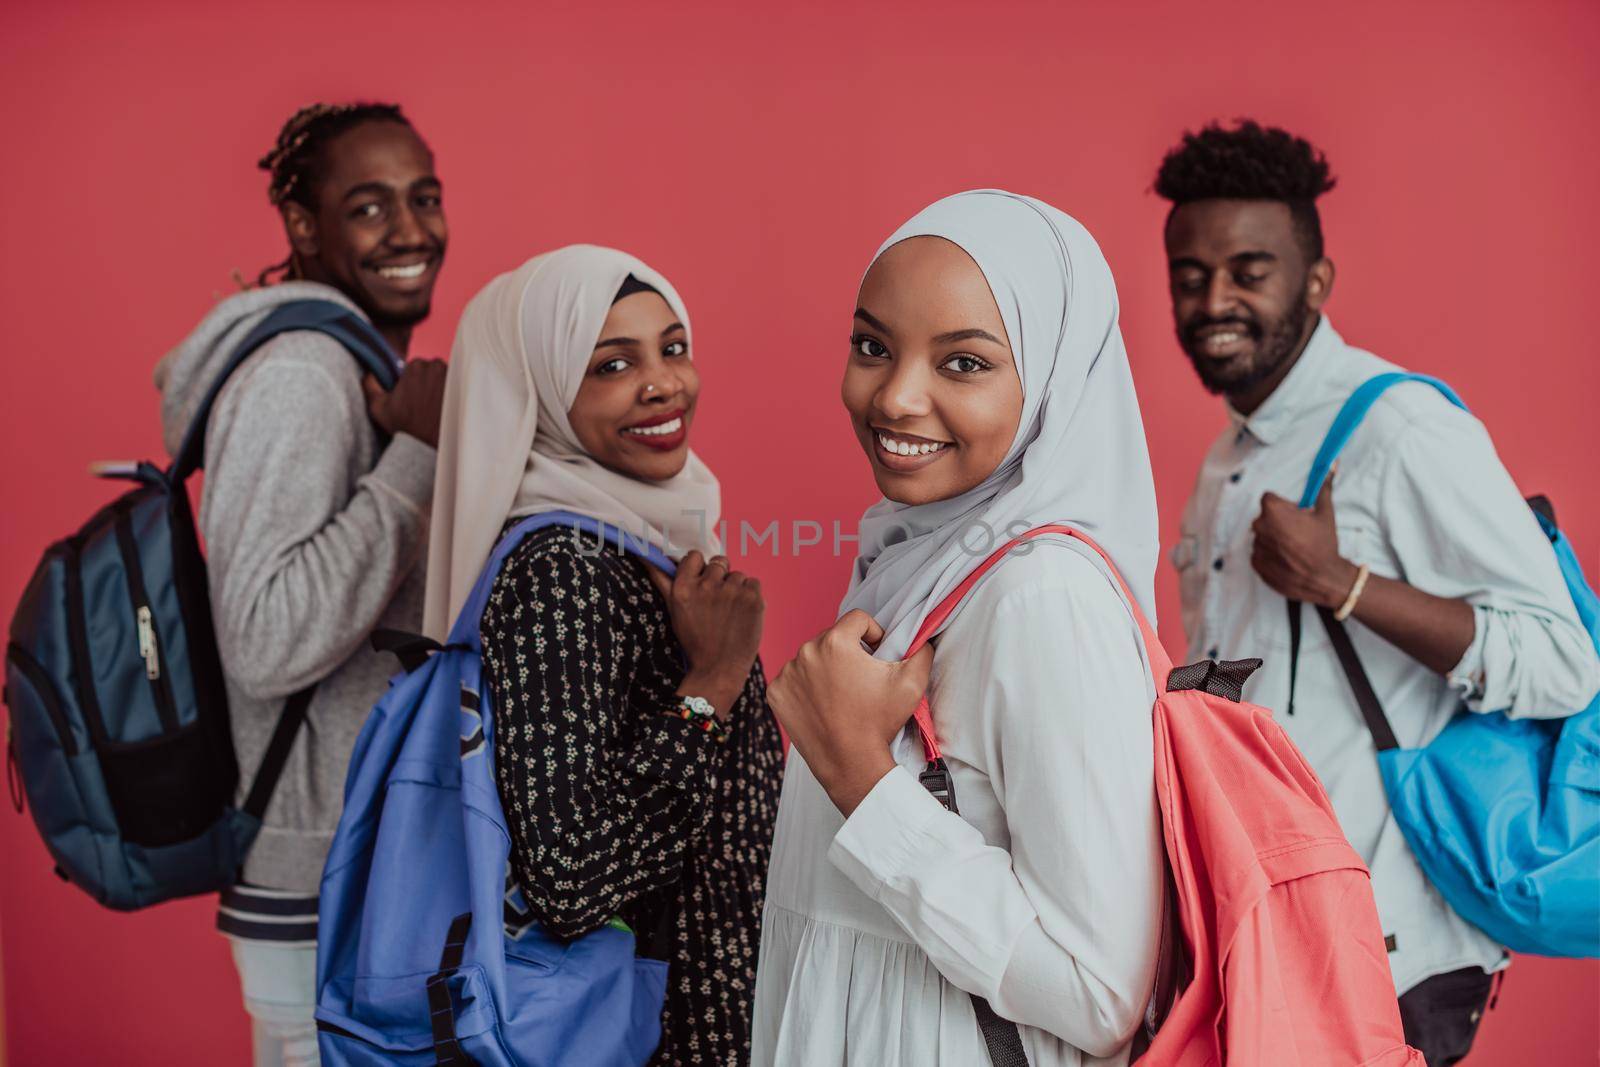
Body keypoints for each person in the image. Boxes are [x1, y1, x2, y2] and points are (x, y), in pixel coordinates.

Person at [1156, 120, 1600, 1066]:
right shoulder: (1224, 459)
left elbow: (1565, 663)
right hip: (1264, 930)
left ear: (1316, 281)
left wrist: (1343, 583)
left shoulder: (1400, 428)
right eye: (1190, 276)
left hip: (1386, 942)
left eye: (1248, 270)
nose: (1215, 300)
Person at [754, 190, 1164, 1065]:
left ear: (1051, 378)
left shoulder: (1041, 597)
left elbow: (1101, 992)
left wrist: (864, 780)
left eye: (964, 363)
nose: (896, 397)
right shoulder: (923, 563)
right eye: (873, 346)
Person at [422, 245, 784, 1065]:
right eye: (612, 364)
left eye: (673, 346)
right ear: (542, 392)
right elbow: (572, 878)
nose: (663, 383)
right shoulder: (563, 569)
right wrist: (713, 684)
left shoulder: (639, 539)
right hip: (652, 1030)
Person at [154, 101, 449, 1066]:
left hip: (362, 871)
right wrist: (414, 455)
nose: (410, 231)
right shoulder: (299, 374)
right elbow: (266, 636)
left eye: (424, 197)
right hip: (317, 884)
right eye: (369, 207)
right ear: (303, 228)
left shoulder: (350, 359)